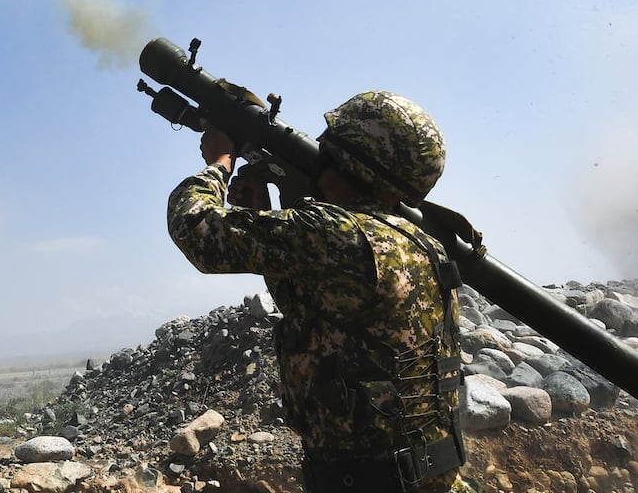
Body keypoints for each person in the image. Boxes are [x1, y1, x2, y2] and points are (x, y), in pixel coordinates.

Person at [166, 90, 475, 493]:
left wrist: (219, 161)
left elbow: (196, 228)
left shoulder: (338, 232)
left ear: (344, 156)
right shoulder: (419, 242)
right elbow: (323, 311)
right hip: (431, 477)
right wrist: (263, 214)